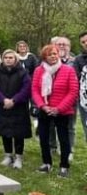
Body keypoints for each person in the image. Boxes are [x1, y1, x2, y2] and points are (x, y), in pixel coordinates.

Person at [31, 43, 77, 176]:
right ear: (44, 57)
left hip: (62, 110)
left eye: (55, 54)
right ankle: (46, 163)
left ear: (59, 55)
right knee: (44, 137)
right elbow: (35, 90)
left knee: (63, 138)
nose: (53, 56)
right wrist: (42, 106)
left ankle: (64, 166)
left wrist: (59, 108)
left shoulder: (68, 70)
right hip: (44, 109)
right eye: (49, 54)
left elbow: (73, 91)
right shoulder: (39, 70)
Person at [0, 49, 32, 170]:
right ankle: (8, 155)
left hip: (18, 106)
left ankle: (18, 157)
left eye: (11, 58)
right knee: (5, 131)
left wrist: (14, 100)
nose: (8, 60)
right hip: (2, 106)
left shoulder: (23, 72)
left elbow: (26, 88)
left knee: (19, 132)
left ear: (15, 59)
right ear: (2, 59)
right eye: (6, 58)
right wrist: (3, 100)